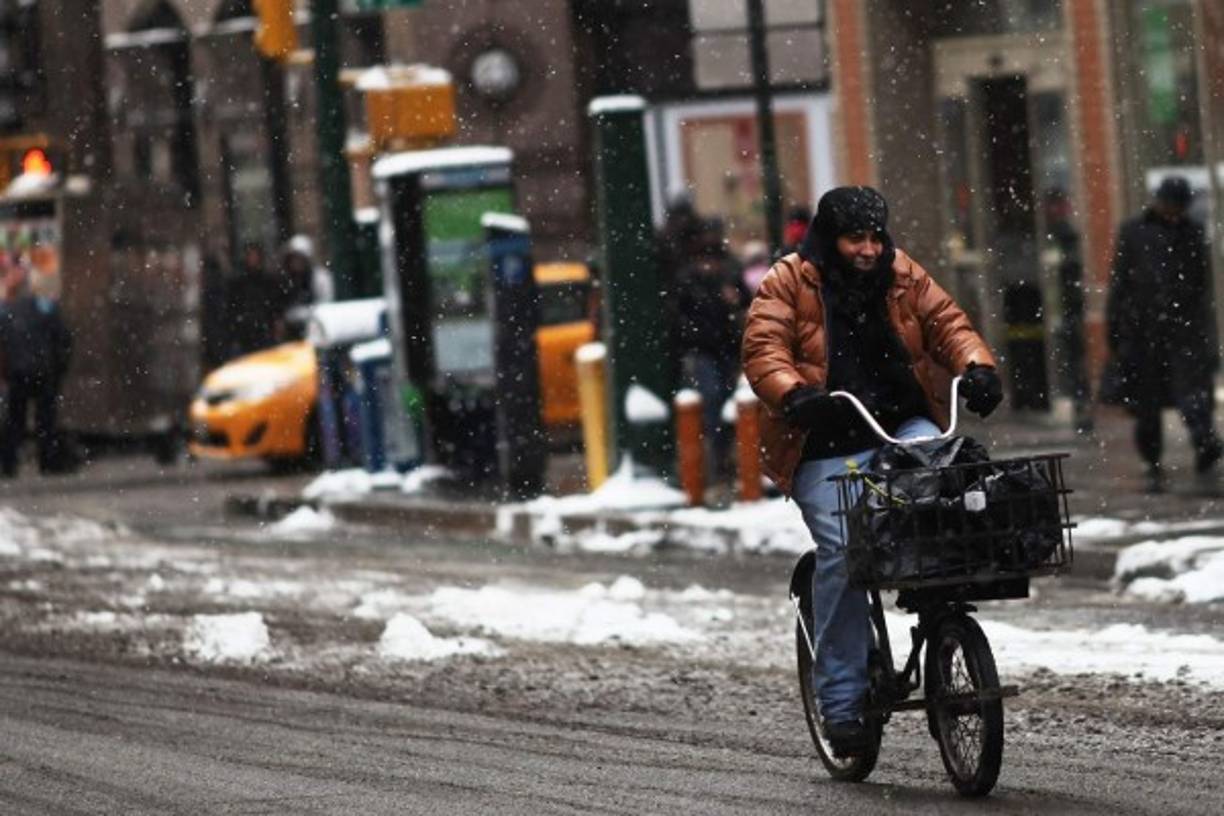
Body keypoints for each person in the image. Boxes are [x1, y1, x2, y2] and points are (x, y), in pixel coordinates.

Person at [741, 186, 1001, 756]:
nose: (868, 249)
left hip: (900, 424)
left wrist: (977, 367)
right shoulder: (788, 281)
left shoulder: (902, 273)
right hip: (821, 443)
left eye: (875, 237)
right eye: (855, 238)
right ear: (828, 238)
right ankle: (840, 703)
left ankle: (942, 621)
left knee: (945, 497)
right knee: (843, 550)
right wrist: (794, 393)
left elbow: (948, 323)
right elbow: (763, 349)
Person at [1103, 175, 1221, 493]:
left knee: (1192, 393)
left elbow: (1200, 284)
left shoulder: (1191, 233)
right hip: (1144, 331)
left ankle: (1204, 443)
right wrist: (1117, 330)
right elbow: (1120, 282)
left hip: (1183, 329)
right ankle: (1153, 457)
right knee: (1148, 402)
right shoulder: (1135, 231)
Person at [677, 218, 750, 481]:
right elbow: (681, 316)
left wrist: (735, 301)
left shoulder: (727, 273)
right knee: (714, 398)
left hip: (725, 348)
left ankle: (726, 456)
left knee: (729, 400)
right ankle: (720, 458)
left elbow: (745, 302)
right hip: (705, 350)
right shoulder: (690, 279)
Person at [0, 261, 73, 477]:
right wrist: (59, 368)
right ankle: (47, 463)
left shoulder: (6, 311)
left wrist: (8, 370)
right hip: (43, 371)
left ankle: (9, 465)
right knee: (45, 420)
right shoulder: (46, 308)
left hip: (17, 373)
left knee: (15, 420)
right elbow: (64, 339)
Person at [1043, 188, 1093, 434]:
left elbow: (1072, 272)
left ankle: (1079, 407)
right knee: (1071, 361)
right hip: (1061, 309)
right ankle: (1078, 405)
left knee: (1073, 361)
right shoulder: (1053, 235)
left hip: (1067, 310)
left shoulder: (1064, 235)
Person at [226, 243, 282, 358]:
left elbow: (274, 306)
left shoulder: (267, 281)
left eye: (255, 256)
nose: (253, 259)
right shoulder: (238, 282)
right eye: (250, 255)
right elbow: (232, 306)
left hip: (263, 332)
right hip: (243, 333)